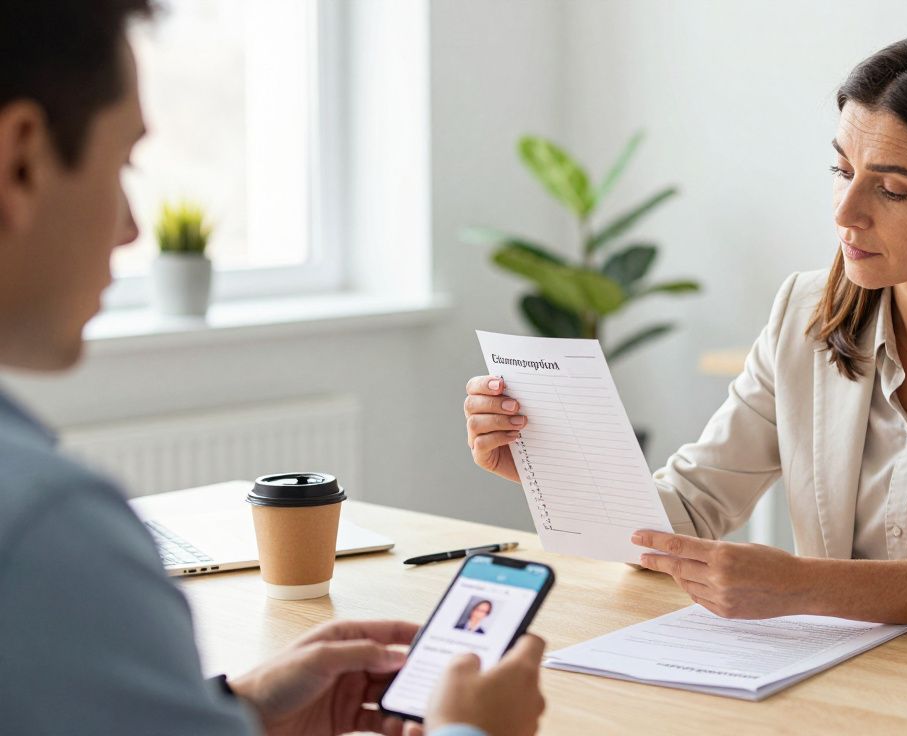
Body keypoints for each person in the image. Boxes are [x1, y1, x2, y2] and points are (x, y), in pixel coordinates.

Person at [464, 30, 907, 635]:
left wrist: (801, 584)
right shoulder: (804, 310)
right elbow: (692, 508)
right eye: (843, 171)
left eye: (892, 190)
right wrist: (547, 462)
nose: (846, 212)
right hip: (849, 673)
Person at [0, 2, 545, 734]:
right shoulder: (46, 535)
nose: (131, 228)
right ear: (21, 159)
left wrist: (238, 714)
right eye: (122, 162)